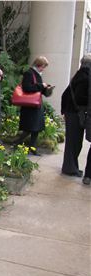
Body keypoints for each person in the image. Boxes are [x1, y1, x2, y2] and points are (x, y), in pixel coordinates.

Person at [61, 53, 91, 184]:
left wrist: (63, 110)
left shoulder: (78, 75)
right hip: (75, 113)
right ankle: (70, 169)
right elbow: (79, 98)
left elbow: (65, 94)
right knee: (74, 142)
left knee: (73, 142)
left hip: (71, 112)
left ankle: (72, 167)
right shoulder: (85, 78)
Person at [14, 56, 52, 156]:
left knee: (36, 128)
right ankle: (17, 143)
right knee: (29, 128)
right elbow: (27, 88)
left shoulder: (37, 74)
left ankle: (32, 147)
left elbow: (38, 89)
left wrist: (47, 88)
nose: (43, 69)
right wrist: (41, 85)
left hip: (36, 105)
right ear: (38, 65)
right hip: (30, 106)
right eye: (43, 66)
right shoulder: (29, 73)